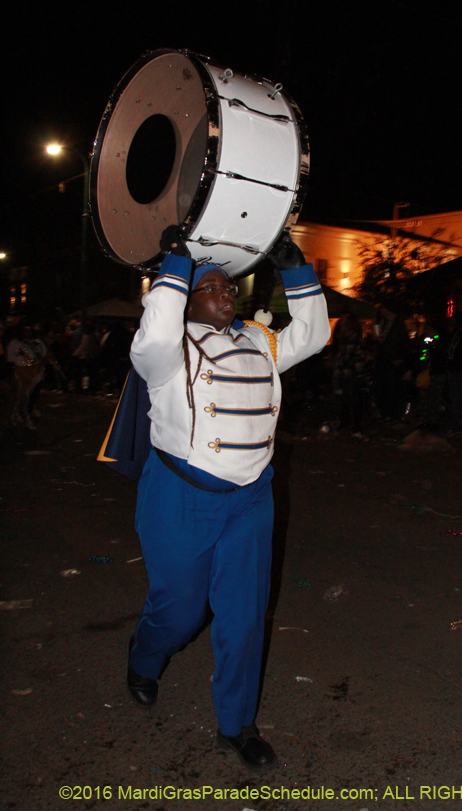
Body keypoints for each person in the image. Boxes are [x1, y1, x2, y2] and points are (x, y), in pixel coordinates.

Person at [126, 226, 330, 771]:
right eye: (212, 285)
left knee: (243, 614)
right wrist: (173, 265)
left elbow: (312, 336)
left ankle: (236, 725)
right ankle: (145, 657)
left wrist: (296, 269)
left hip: (249, 500)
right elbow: (152, 334)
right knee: (180, 611)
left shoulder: (260, 343)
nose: (228, 292)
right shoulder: (167, 353)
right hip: (181, 497)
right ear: (188, 299)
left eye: (230, 286)